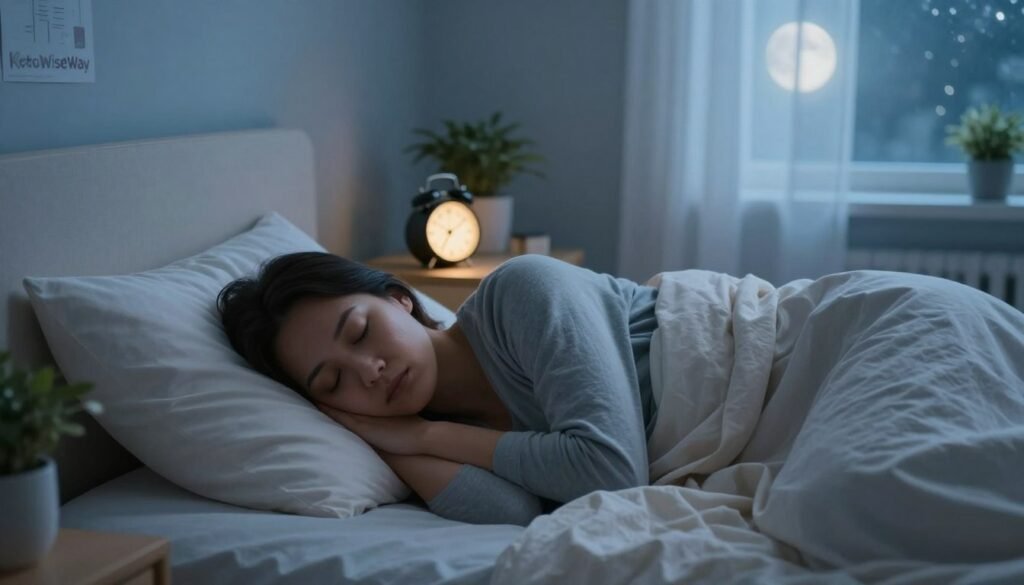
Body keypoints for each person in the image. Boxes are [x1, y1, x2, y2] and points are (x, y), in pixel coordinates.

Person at [217, 251, 659, 526]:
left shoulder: (523, 290)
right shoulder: (424, 432)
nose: (369, 371)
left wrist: (425, 436)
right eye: (334, 381)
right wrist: (383, 441)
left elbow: (612, 479)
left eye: (359, 331)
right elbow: (513, 514)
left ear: (398, 298)